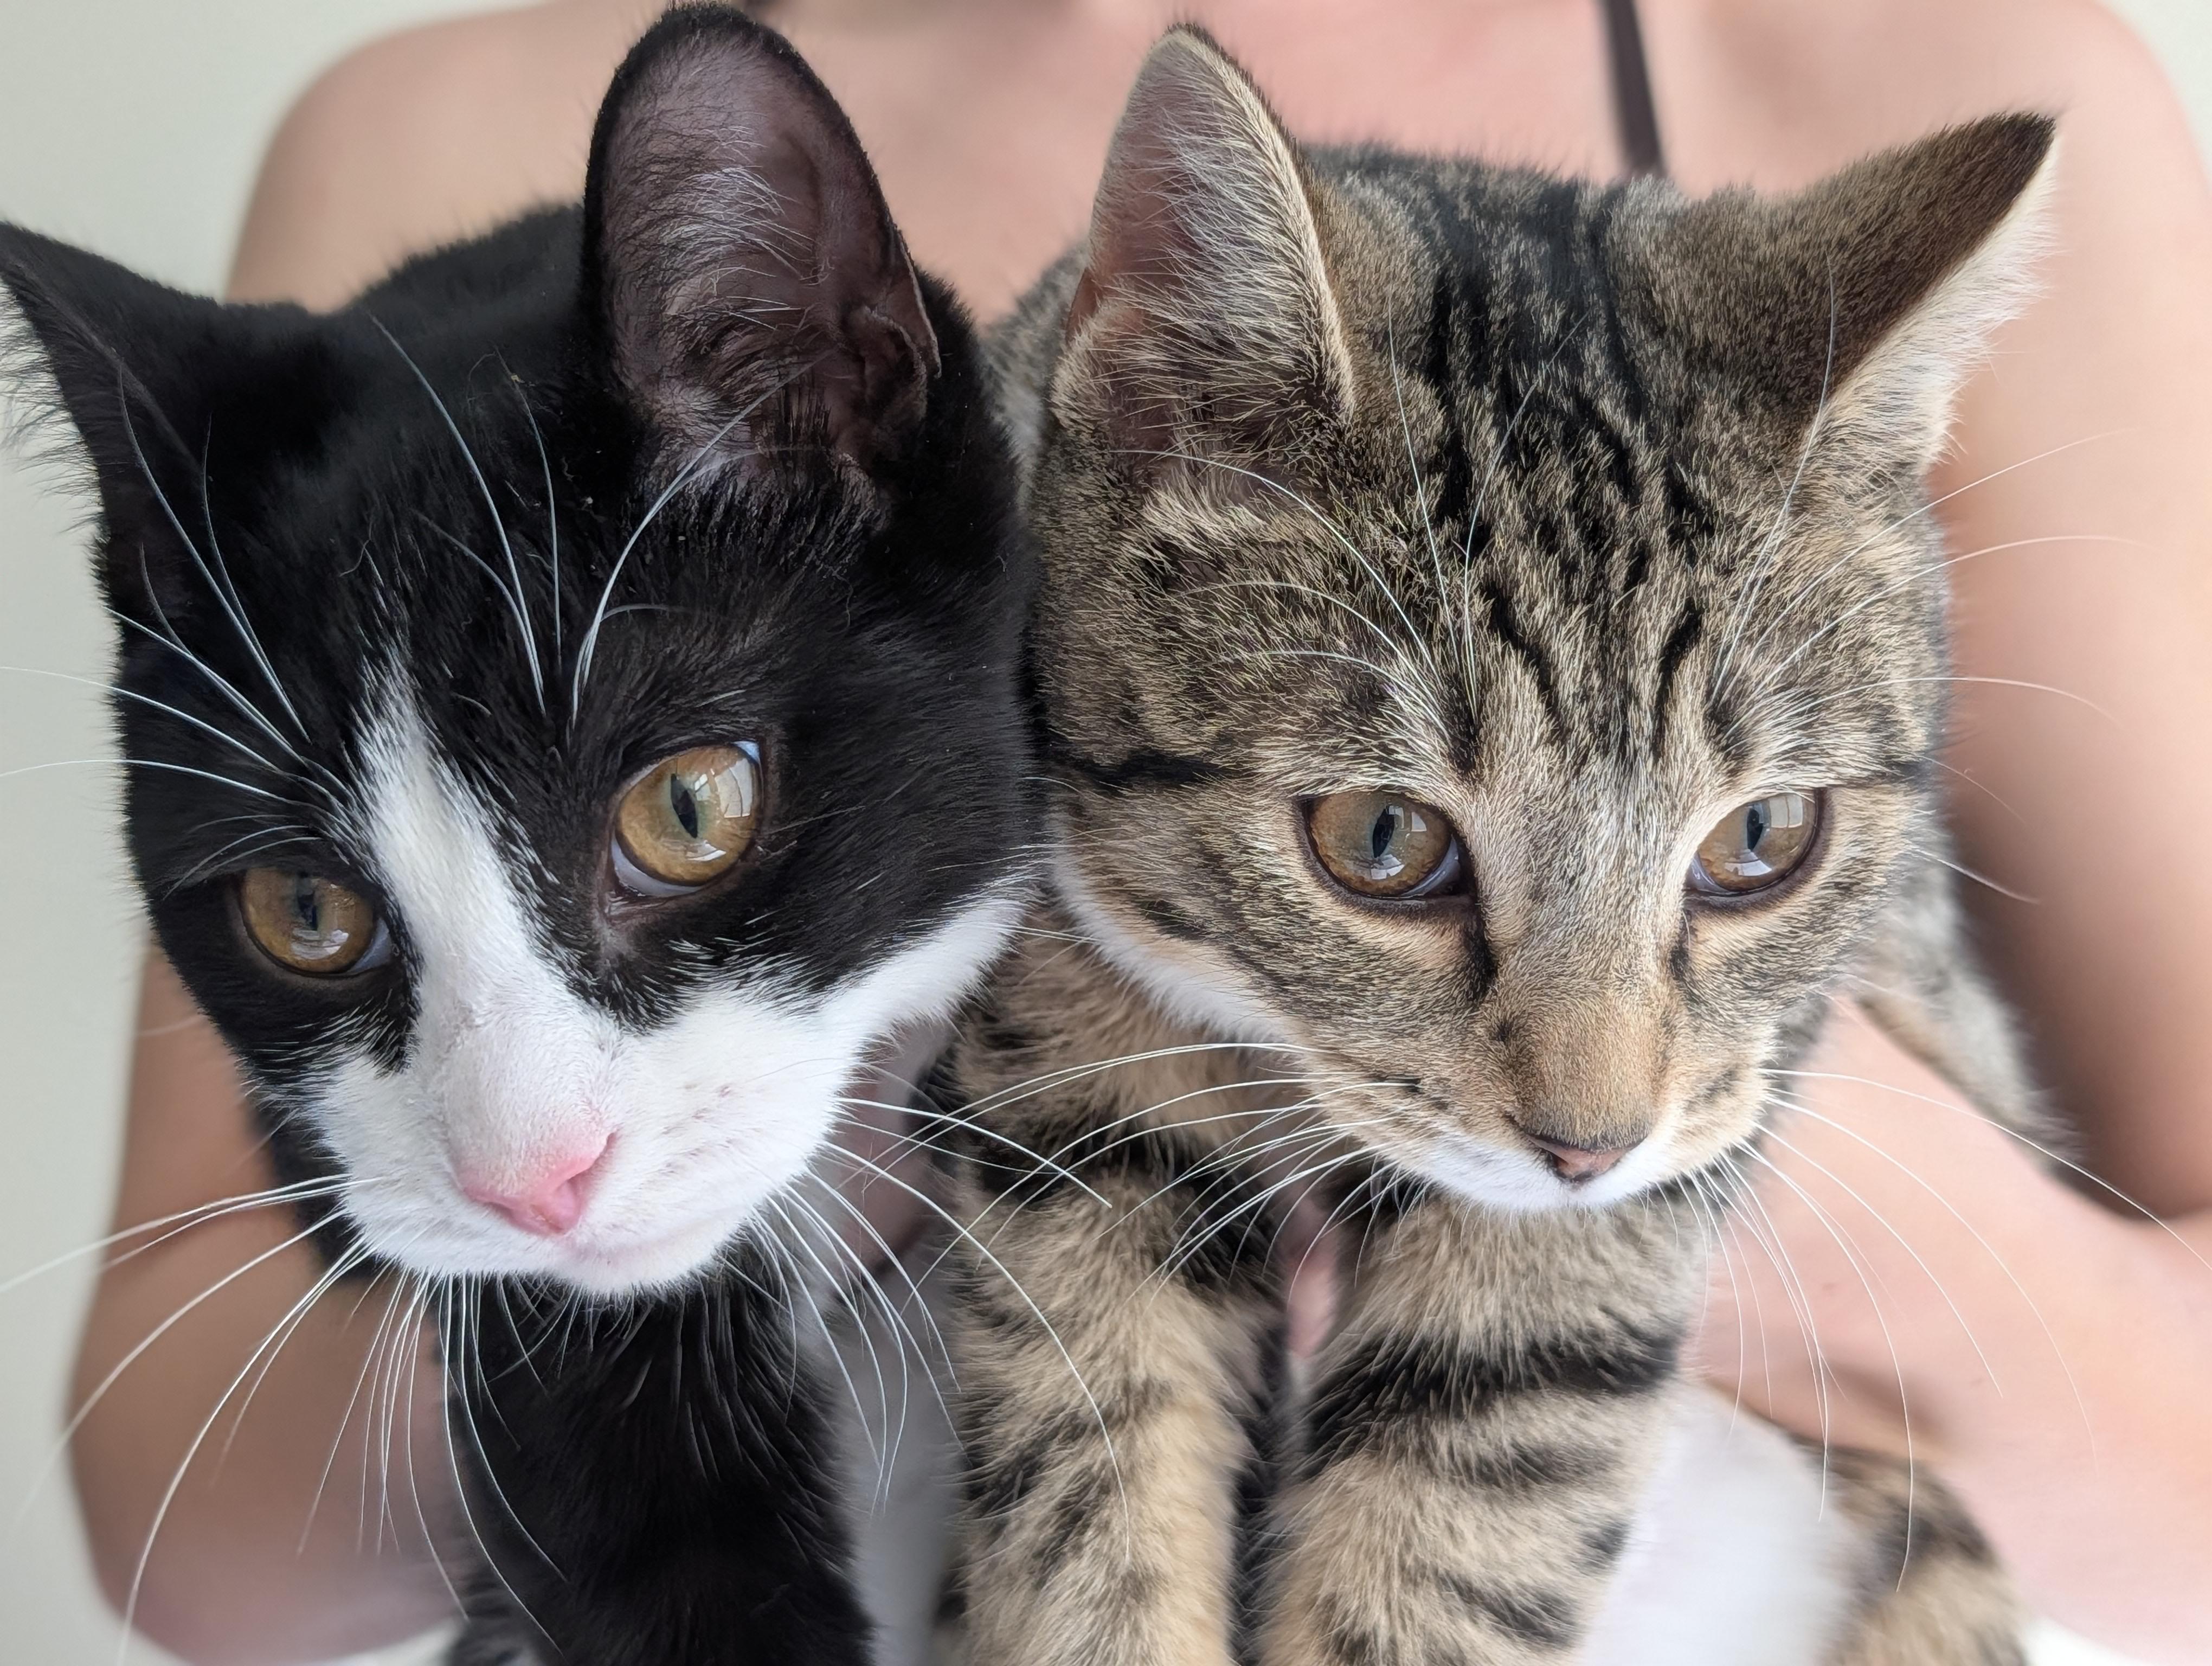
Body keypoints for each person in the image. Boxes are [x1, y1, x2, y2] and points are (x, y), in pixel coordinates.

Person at [66, 1, 2212, 1661]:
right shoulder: (432, 128)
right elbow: (184, 1523)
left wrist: (1698, 1196)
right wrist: (783, 1156)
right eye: (1386, 834)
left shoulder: (1965, 73)